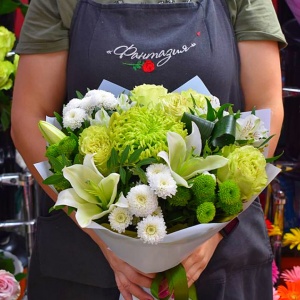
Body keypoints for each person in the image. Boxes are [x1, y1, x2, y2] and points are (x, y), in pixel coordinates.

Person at [11, 0, 286, 299]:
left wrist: (215, 229)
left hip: (217, 256)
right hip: (86, 255)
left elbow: (265, 107)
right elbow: (29, 116)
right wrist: (106, 238)